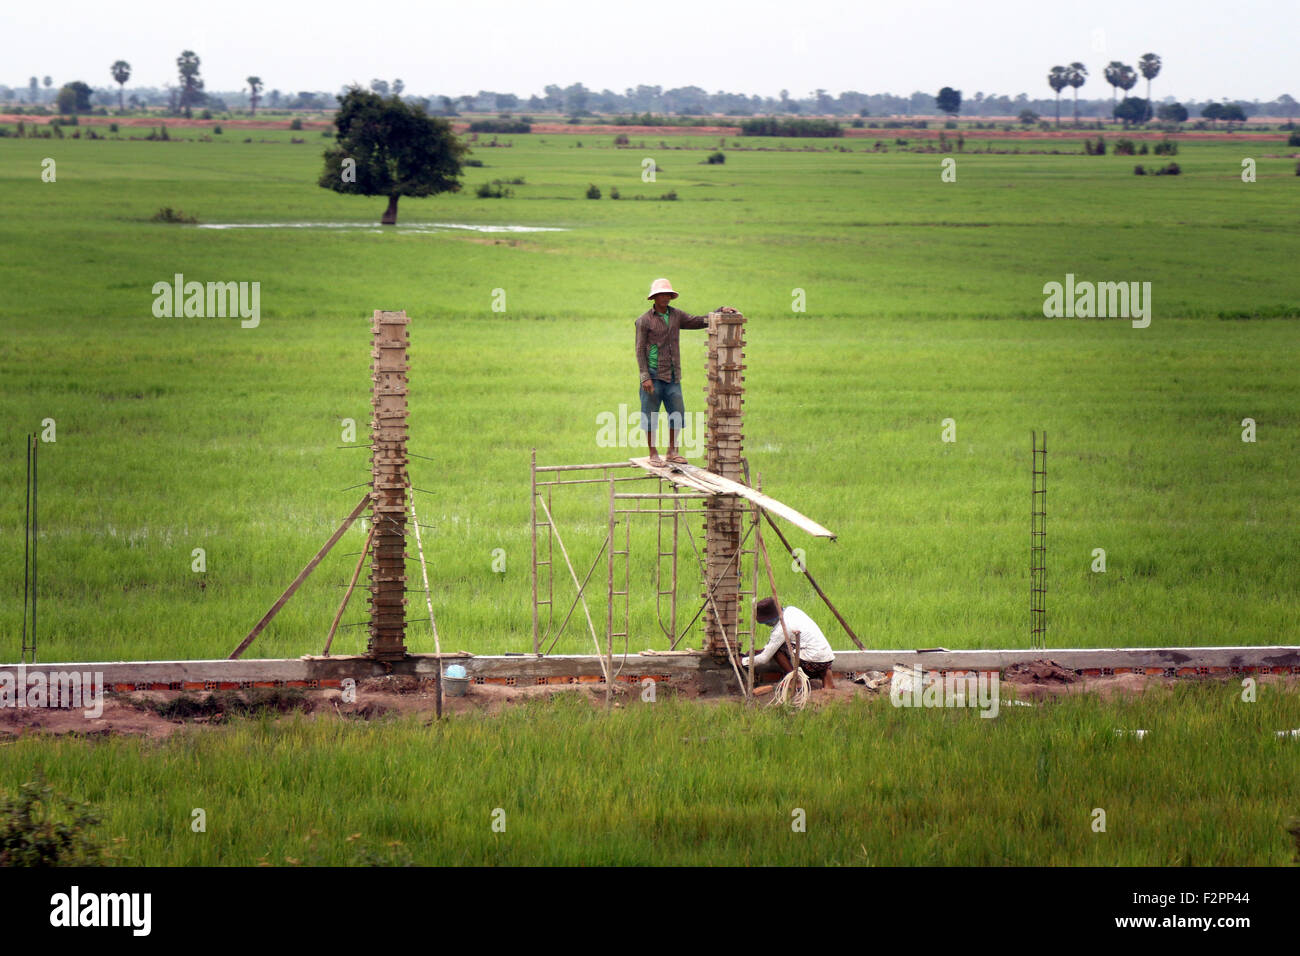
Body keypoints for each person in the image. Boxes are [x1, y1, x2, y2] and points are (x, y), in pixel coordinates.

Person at [635, 278, 736, 465]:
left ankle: (672, 451)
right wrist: (644, 376)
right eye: (661, 295)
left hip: (673, 375)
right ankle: (653, 453)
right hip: (653, 374)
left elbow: (698, 321)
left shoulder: (676, 316)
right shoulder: (644, 321)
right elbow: (640, 350)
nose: (664, 297)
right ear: (654, 298)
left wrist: (718, 312)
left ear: (671, 297)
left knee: (677, 412)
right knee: (650, 414)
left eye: (667, 294)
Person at [741, 597, 835, 687]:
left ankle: (796, 680)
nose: (766, 625)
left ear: (769, 620)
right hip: (827, 658)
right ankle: (827, 678)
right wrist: (763, 650)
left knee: (777, 651)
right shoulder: (791, 610)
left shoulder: (781, 628)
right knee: (788, 645)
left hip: (812, 663)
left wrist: (743, 661)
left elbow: (764, 658)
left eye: (766, 622)